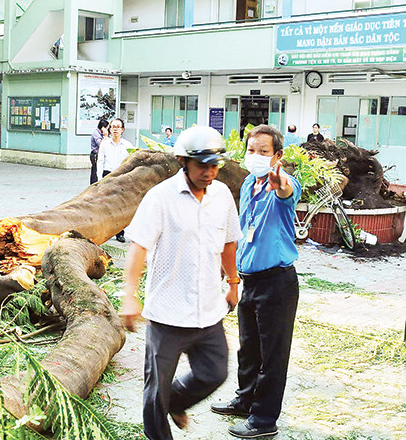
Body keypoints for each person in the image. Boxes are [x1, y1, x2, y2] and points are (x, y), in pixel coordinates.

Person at [120, 125, 242, 440]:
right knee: (155, 392)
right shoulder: (160, 198)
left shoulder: (222, 195)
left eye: (215, 164)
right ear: (183, 161)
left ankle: (178, 401)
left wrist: (232, 283)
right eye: (202, 164)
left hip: (208, 310)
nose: (210, 171)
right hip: (168, 315)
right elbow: (139, 247)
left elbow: (229, 243)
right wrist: (129, 296)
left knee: (214, 373)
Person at [210, 125, 301, 439]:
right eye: (251, 150)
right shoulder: (248, 183)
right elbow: (242, 231)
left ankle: (264, 420)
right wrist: (231, 271)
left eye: (264, 152)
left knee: (273, 354)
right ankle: (245, 400)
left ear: (277, 155)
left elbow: (287, 191)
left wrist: (282, 183)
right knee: (248, 348)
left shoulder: (283, 186)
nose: (256, 157)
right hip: (250, 281)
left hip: (277, 283)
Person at [96, 118, 134, 242]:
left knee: (120, 207)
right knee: (105, 205)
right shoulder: (104, 144)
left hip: (122, 177)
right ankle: (104, 232)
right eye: (113, 127)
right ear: (110, 129)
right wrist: (99, 179)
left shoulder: (128, 146)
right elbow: (100, 161)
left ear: (122, 129)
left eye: (118, 127)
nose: (115, 129)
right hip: (108, 175)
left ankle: (120, 233)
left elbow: (132, 163)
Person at [90, 119, 109, 184]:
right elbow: (101, 144)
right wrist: (105, 135)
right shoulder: (96, 133)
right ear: (103, 127)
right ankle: (94, 185)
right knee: (95, 171)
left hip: (100, 154)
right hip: (95, 155)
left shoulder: (101, 133)